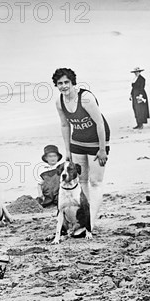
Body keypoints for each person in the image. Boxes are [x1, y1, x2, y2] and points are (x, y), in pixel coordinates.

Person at [53, 68, 110, 229]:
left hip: (97, 142)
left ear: (73, 83)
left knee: (95, 182)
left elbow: (100, 123)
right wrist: (68, 150)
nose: (64, 86)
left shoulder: (85, 98)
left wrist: (102, 149)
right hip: (77, 141)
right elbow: (65, 125)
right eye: (60, 83)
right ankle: (83, 218)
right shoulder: (59, 102)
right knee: (82, 180)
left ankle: (90, 222)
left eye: (66, 82)